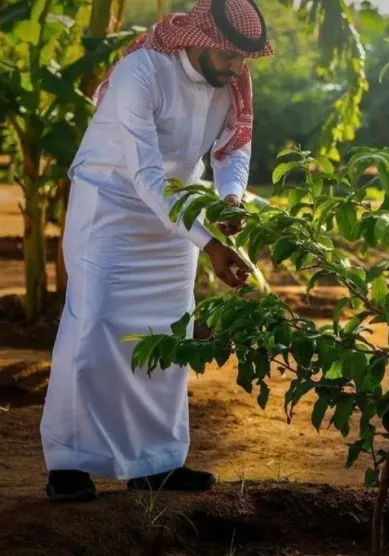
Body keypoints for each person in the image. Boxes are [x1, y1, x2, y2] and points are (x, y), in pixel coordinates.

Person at [39, 0, 273, 502]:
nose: (237, 68)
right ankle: (69, 462)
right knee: (95, 324)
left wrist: (231, 199)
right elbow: (144, 174)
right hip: (112, 204)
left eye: (244, 60)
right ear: (201, 38)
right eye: (231, 56)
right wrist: (208, 243)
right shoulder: (141, 71)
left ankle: (157, 461)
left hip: (177, 212)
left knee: (170, 330)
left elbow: (233, 148)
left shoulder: (231, 79)